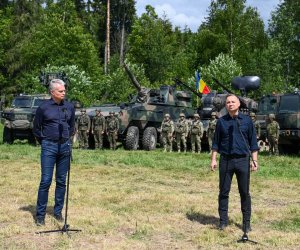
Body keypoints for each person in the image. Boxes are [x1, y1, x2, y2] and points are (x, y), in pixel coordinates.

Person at [210, 94, 259, 233]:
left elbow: (253, 144)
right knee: (224, 192)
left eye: (233, 102)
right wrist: (213, 159)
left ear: (238, 104)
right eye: (228, 102)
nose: (230, 104)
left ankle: (246, 223)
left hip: (243, 160)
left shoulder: (247, 121)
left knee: (244, 193)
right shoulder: (221, 122)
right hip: (226, 160)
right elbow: (216, 143)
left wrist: (255, 161)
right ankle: (223, 221)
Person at [33, 79, 75, 226]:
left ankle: (58, 212)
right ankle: (40, 215)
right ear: (52, 92)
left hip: (64, 147)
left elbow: (72, 126)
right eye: (61, 91)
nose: (64, 93)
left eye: (64, 90)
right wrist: (45, 141)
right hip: (49, 147)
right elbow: (36, 128)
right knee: (46, 181)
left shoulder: (69, 107)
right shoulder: (43, 108)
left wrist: (66, 140)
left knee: (62, 181)